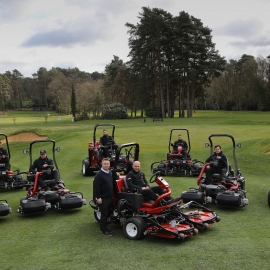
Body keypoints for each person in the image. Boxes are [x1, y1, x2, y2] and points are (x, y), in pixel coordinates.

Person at [94, 158, 114, 237]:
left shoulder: (109, 172)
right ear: (102, 164)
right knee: (104, 214)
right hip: (103, 198)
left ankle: (106, 228)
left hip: (109, 197)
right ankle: (103, 230)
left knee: (108, 213)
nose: (106, 165)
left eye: (107, 164)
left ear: (109, 165)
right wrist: (98, 198)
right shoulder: (99, 174)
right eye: (105, 164)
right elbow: (96, 187)